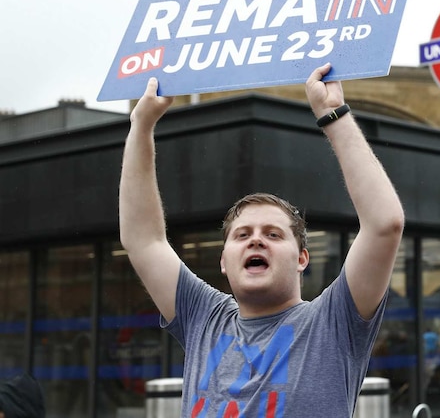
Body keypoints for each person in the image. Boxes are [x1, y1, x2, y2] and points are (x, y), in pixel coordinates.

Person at [119, 64, 405, 417]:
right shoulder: (204, 317)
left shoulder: (332, 323)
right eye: (242, 235)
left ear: (302, 258)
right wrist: (141, 126)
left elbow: (384, 225)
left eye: (273, 234)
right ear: (223, 261)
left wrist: (333, 114)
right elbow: (143, 239)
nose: (256, 241)